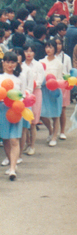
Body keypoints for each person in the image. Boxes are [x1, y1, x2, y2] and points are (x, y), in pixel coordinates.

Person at [0, 52, 28, 180]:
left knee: (14, 139)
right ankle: (11, 162)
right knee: (5, 138)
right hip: (2, 109)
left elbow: (23, 95)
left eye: (12, 62)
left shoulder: (20, 78)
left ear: (16, 64)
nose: (10, 65)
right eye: (7, 62)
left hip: (16, 110)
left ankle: (12, 169)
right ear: (3, 63)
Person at [21, 44, 45, 156]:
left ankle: (32, 146)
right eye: (26, 51)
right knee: (25, 121)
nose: (28, 53)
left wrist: (32, 85)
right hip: (23, 94)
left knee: (33, 122)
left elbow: (40, 80)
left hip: (35, 93)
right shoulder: (20, 65)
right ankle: (26, 143)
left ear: (34, 53)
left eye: (31, 51)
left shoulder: (38, 65)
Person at [40, 40, 64, 147]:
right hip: (44, 90)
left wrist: (55, 83)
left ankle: (54, 136)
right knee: (42, 114)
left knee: (55, 115)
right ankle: (50, 130)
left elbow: (60, 77)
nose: (48, 50)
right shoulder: (41, 62)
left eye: (50, 47)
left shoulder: (59, 63)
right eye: (46, 47)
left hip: (54, 90)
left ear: (55, 48)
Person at [55, 36, 72, 140]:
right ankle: (53, 130)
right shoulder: (48, 57)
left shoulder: (66, 58)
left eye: (60, 44)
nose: (58, 46)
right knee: (54, 110)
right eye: (56, 44)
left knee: (62, 110)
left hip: (64, 85)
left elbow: (69, 72)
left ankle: (62, 131)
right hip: (52, 85)